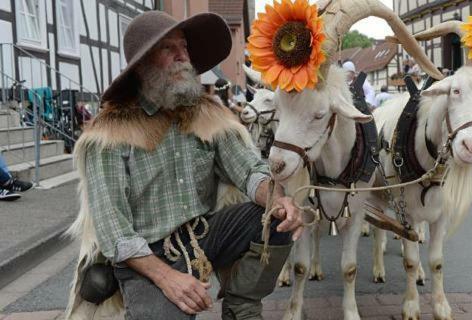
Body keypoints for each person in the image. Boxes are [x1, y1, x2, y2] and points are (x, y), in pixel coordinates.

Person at [65, 11, 303, 320]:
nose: (182, 56)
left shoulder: (206, 113)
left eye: (184, 47)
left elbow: (248, 170)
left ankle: (241, 306)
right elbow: (115, 231)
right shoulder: (109, 133)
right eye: (168, 48)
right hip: (146, 257)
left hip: (205, 237)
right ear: (142, 65)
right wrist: (168, 278)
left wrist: (278, 197)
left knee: (274, 216)